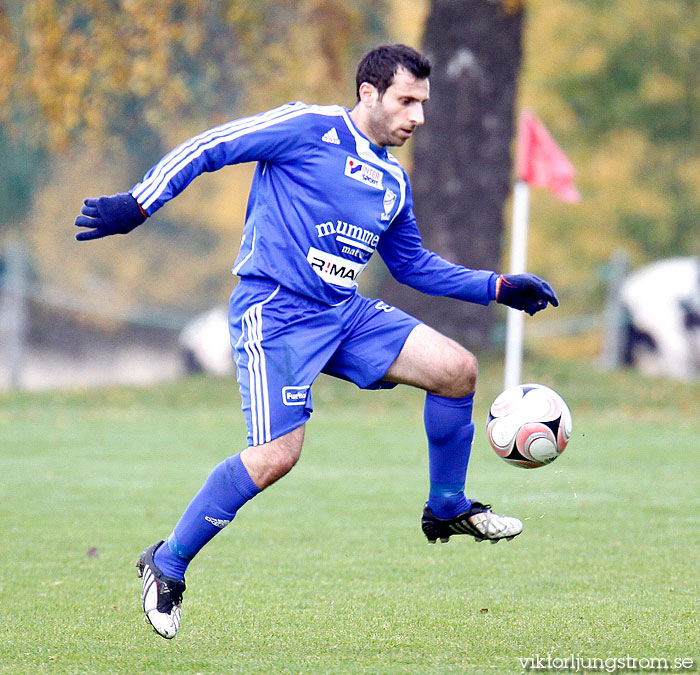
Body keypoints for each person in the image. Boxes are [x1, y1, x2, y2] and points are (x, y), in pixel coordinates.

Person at [74, 44, 558, 640]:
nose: (418, 116)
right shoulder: (305, 128)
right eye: (407, 101)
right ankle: (166, 563)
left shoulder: (392, 180)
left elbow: (411, 266)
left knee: (456, 369)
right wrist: (139, 202)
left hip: (342, 311)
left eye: (424, 104)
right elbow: (211, 147)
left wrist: (498, 285)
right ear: (368, 93)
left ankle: (447, 505)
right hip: (275, 311)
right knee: (277, 456)